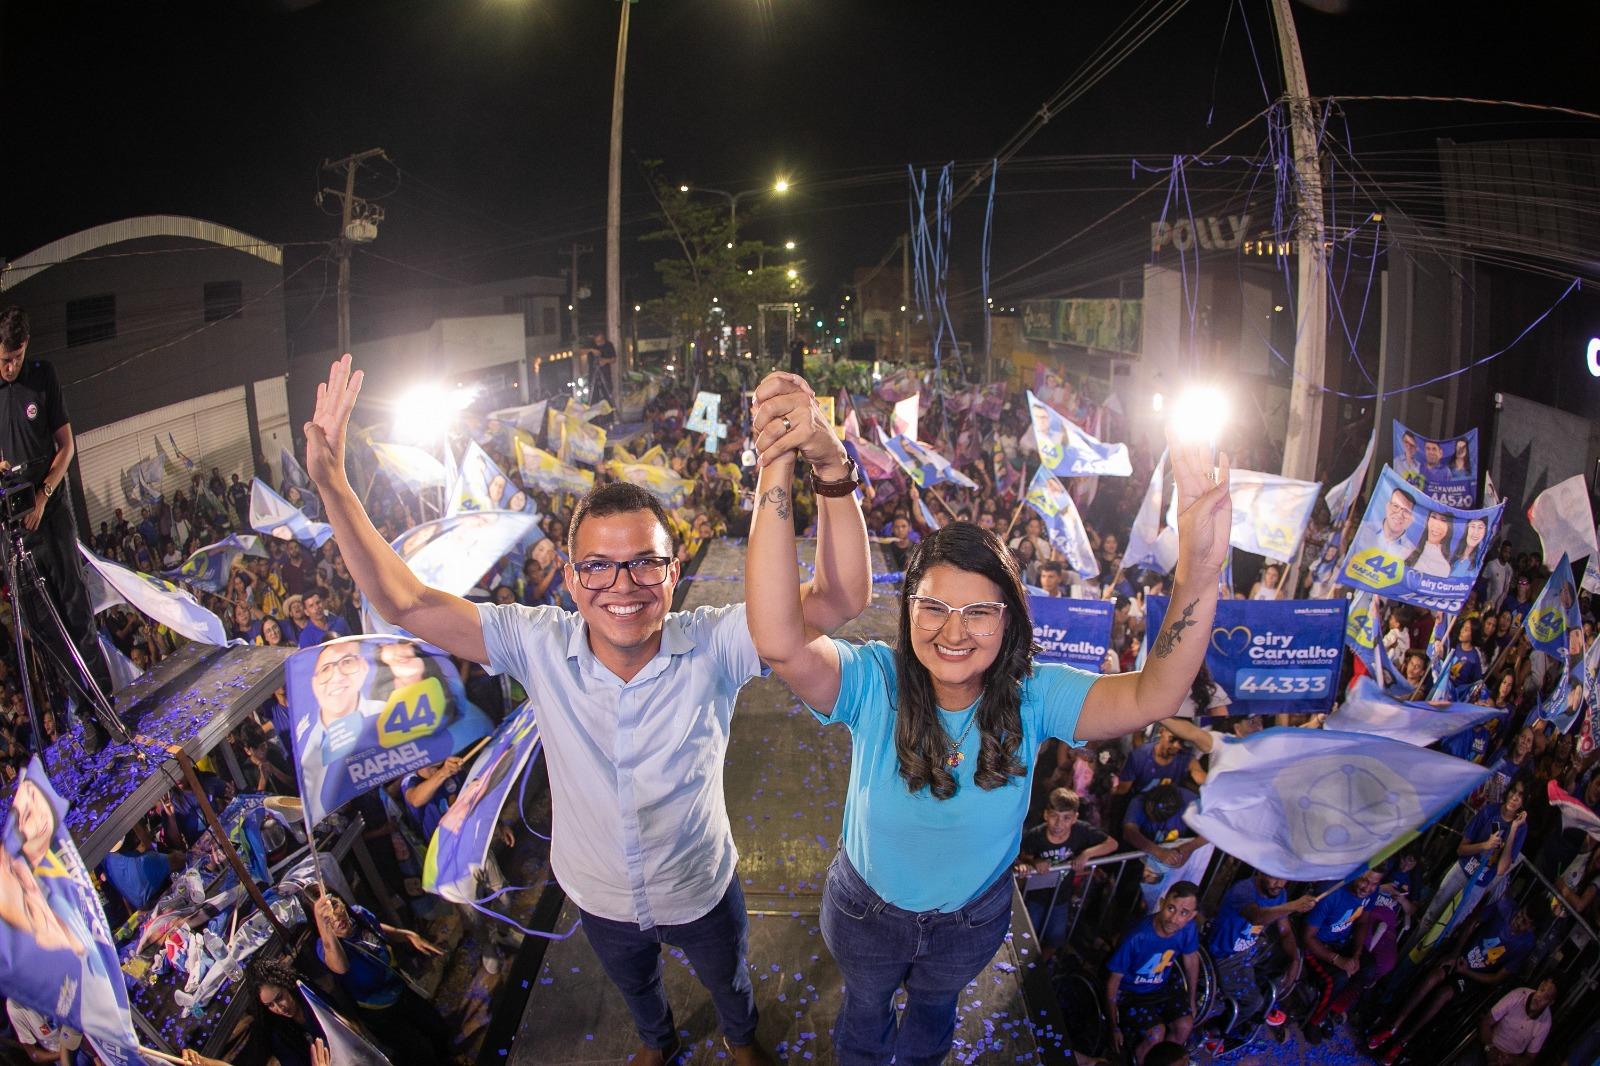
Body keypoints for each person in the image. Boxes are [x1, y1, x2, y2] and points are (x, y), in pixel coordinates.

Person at [303, 356, 868, 1066]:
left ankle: (738, 1034)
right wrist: (333, 484)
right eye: (598, 566)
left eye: (644, 563)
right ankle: (659, 1042)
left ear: (673, 571)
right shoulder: (535, 642)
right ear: (571, 580)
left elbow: (840, 598)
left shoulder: (718, 641)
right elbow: (406, 602)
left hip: (698, 885)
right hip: (597, 895)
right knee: (637, 991)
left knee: (728, 980)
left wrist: (829, 462)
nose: (622, 585)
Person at [745, 408, 1231, 1065]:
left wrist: (1198, 573)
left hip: (970, 923)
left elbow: (1155, 695)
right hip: (866, 916)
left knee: (933, 1016)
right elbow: (779, 640)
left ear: (1009, 620)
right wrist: (776, 463)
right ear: (907, 610)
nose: (954, 632)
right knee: (863, 1012)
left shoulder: (1037, 695)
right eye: (934, 608)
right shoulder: (872, 681)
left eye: (979, 612)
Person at [0, 307, 117, 753]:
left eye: (17, 357)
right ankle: (84, 714)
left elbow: (66, 446)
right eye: (5, 358)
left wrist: (44, 494)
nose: (11, 366)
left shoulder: (42, 376)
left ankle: (105, 704)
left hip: (49, 512)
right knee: (44, 626)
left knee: (75, 610)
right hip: (14, 524)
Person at [1366, 899, 1536, 1065]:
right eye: (1520, 914)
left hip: (1472, 977)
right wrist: (1456, 953)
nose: (1518, 921)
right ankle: (1393, 1026)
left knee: (1444, 994)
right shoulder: (1504, 907)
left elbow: (1497, 978)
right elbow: (1472, 922)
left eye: (1524, 922)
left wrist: (1466, 972)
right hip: (1460, 956)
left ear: (1531, 927)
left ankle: (1402, 1042)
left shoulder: (1526, 944)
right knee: (1433, 977)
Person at [311, 893, 449, 1066]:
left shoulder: (359, 914)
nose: (336, 918)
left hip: (399, 989)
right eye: (327, 918)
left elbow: (377, 928)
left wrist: (407, 935)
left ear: (342, 902)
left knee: (438, 1029)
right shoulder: (325, 947)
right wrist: (324, 926)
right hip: (379, 1011)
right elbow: (340, 967)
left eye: (335, 906)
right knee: (417, 1053)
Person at [1413, 777, 1529, 952]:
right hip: (1461, 872)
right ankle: (1406, 955)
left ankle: (1421, 961)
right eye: (1513, 791)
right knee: (1430, 917)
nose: (1514, 798)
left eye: (1520, 795)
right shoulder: (1489, 811)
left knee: (1446, 929)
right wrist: (1485, 845)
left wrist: (1512, 829)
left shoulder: (1521, 828)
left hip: (1478, 885)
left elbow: (1501, 869)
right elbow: (1461, 849)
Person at [1204, 870, 1313, 1043]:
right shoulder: (1243, 890)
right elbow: (1257, 917)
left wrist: (1295, 959)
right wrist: (1293, 905)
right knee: (1253, 1002)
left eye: (1284, 878)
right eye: (1274, 876)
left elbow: (1285, 931)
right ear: (1262, 872)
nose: (1279, 883)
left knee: (1287, 963)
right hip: (1224, 955)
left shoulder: (1279, 893)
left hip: (1250, 948)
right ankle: (1216, 1029)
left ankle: (1262, 1008)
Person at [1015, 787, 1117, 960]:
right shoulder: (1035, 835)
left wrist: (1086, 854)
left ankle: (1042, 966)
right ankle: (1025, 964)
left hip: (1062, 897)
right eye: (1054, 816)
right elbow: (1022, 855)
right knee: (1027, 935)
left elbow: (1112, 844)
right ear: (1046, 814)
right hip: (1035, 896)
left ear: (1075, 818)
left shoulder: (1081, 830)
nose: (1058, 824)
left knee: (1055, 937)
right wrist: (1033, 862)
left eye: (1066, 818)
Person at [1105, 882, 1202, 1064]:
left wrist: (1191, 999)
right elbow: (1113, 981)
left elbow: (1191, 960)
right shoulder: (1138, 936)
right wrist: (1113, 1026)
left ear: (1192, 916)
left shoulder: (1188, 928)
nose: (1174, 919)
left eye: (1183, 913)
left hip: (1161, 986)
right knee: (1155, 1034)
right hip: (1131, 993)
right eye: (1171, 908)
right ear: (1162, 903)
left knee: (1185, 1025)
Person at [1301, 867, 1384, 1042]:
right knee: (1338, 978)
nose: (1368, 888)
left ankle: (1333, 1008)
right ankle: (1314, 1021)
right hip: (1318, 944)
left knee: (1368, 968)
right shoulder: (1331, 893)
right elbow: (1307, 937)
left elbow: (1362, 922)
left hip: (1343, 941)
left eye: (1374, 883)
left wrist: (1356, 954)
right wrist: (1337, 960)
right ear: (1355, 873)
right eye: (1365, 880)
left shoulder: (1372, 892)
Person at [1463, 979, 1556, 1066]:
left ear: (1550, 1003)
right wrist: (1489, 1048)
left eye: (1546, 997)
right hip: (1489, 1043)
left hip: (1509, 1060)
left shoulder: (1546, 1023)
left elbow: (1529, 1058)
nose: (1539, 997)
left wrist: (1511, 1060)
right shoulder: (1518, 995)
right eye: (1541, 990)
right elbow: (1486, 1021)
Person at [5, 999, 83, 1063]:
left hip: (79, 1037)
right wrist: (62, 1055)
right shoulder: (14, 1009)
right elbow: (34, 1055)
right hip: (61, 1054)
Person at [1406, 509, 1454, 578]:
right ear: (1428, 521)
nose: (1436, 524)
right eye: (1433, 517)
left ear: (1448, 529)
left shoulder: (1443, 567)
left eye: (1443, 520)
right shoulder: (1408, 549)